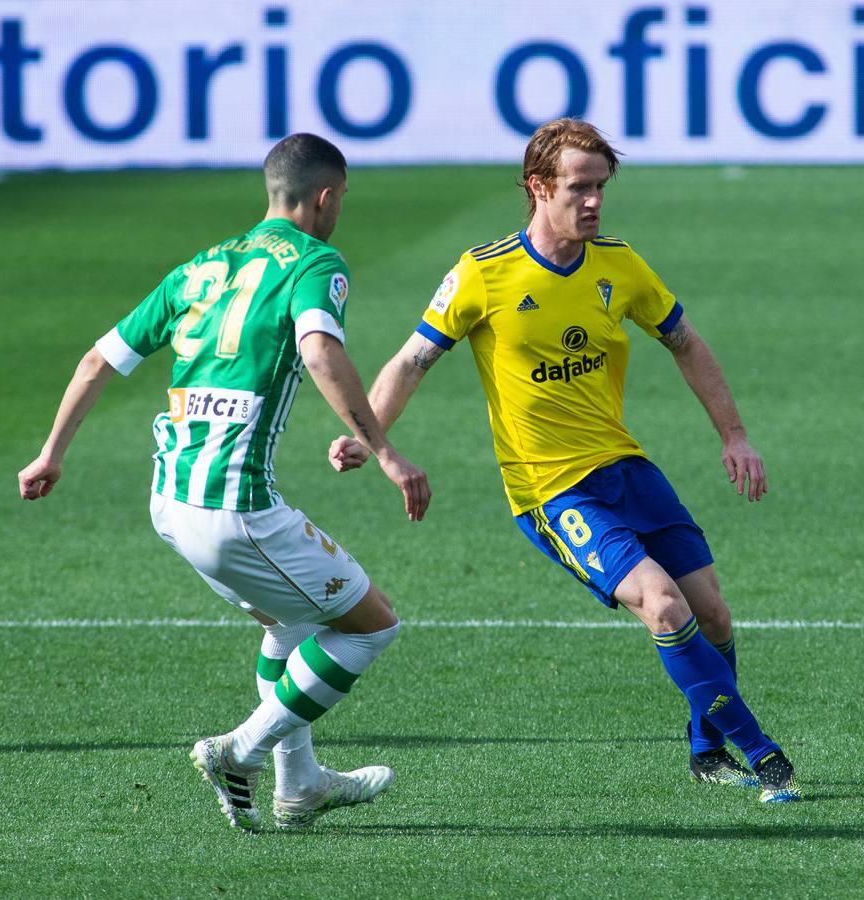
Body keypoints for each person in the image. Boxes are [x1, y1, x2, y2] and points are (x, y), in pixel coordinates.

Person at [333, 118, 800, 802]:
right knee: (664, 607)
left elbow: (687, 343)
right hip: (552, 490)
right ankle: (762, 753)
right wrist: (368, 435)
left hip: (627, 468)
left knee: (715, 615)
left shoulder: (619, 264)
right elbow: (411, 362)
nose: (593, 201)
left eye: (601, 187)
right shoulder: (483, 273)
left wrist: (734, 435)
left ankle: (706, 751)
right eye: (579, 187)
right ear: (538, 187)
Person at [17, 133, 432, 831]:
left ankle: (299, 788)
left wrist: (50, 452)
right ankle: (240, 750)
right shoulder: (315, 260)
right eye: (343, 200)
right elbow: (320, 350)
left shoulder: (199, 267)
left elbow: (98, 360)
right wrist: (384, 451)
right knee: (371, 629)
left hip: (170, 504)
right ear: (326, 198)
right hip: (236, 510)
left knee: (293, 621)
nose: (341, 213)